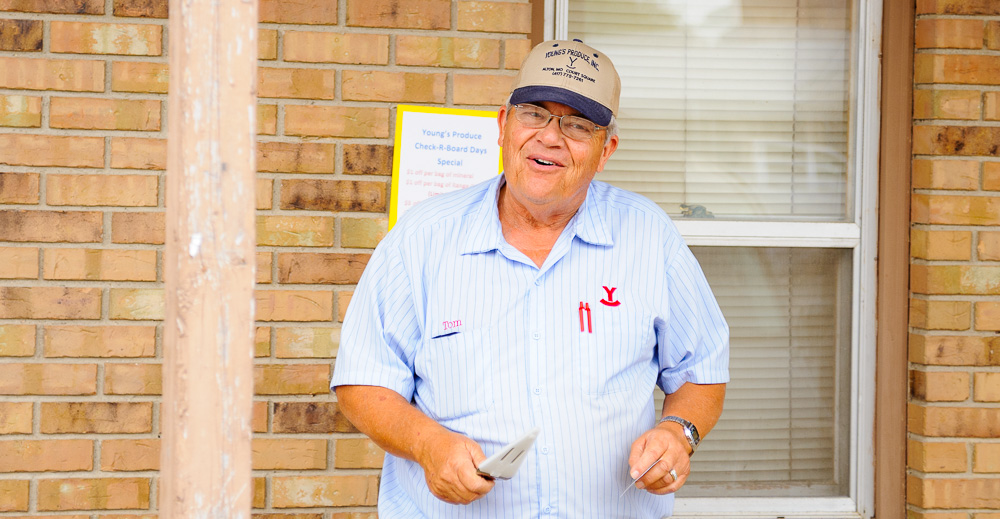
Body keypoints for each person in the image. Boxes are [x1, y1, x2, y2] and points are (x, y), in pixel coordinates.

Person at [332, 39, 729, 518]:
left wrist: (677, 431)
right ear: (503, 126)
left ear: (606, 151)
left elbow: (701, 369)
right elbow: (363, 382)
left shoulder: (649, 236)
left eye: (578, 124)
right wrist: (426, 444)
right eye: (534, 114)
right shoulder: (421, 237)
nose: (550, 137)